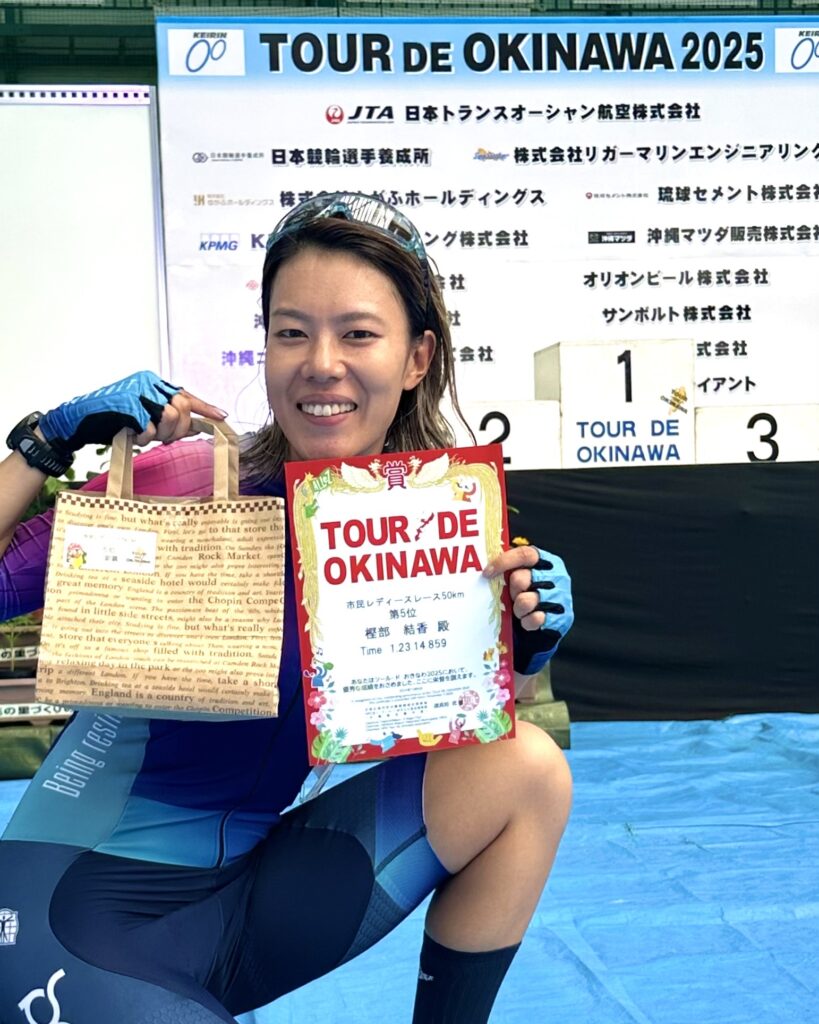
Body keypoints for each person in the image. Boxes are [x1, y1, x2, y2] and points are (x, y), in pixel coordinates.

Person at [0, 192, 573, 1023]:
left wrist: (522, 641)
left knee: (527, 770)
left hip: (242, 902)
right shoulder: (187, 483)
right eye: (291, 332)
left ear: (416, 357)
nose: (321, 363)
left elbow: (457, 730)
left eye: (358, 334)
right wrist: (46, 440)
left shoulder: (434, 524)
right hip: (71, 904)